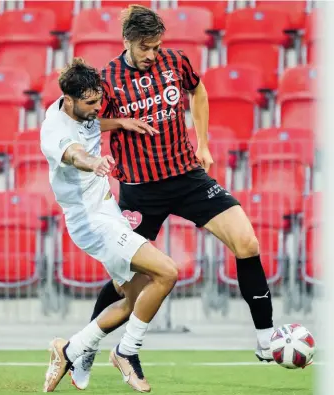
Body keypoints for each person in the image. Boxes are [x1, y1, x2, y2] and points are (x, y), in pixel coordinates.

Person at [70, 4, 275, 390]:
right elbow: (85, 117)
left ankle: (266, 338)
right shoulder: (108, 78)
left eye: (156, 45)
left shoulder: (176, 61)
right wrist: (121, 122)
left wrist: (203, 142)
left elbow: (198, 92)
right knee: (125, 281)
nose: (152, 54)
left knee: (247, 242)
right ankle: (86, 346)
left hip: (188, 177)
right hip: (141, 190)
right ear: (128, 40)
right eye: (145, 47)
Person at [40, 58, 180, 393]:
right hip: (90, 221)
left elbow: (92, 125)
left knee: (135, 298)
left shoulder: (80, 108)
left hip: (108, 212)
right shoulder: (54, 130)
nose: (97, 106)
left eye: (98, 99)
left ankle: (72, 349)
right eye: (91, 103)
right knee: (168, 273)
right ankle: (126, 352)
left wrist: (120, 122)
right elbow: (75, 153)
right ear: (70, 100)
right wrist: (95, 163)